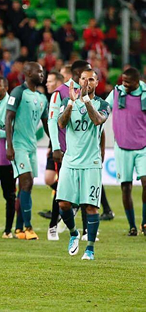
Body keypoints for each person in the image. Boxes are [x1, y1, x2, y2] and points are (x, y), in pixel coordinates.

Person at [57, 69, 110, 260]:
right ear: (78, 82)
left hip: (91, 162)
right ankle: (73, 233)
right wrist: (71, 102)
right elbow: (62, 124)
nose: (87, 82)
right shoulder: (67, 102)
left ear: (97, 82)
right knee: (63, 204)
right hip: (70, 161)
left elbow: (97, 120)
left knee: (91, 207)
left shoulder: (103, 104)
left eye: (91, 79)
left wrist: (86, 100)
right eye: (84, 79)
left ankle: (90, 249)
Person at [5, 62, 49, 240]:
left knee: (25, 187)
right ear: (28, 73)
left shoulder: (42, 98)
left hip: (32, 146)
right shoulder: (18, 92)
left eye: (42, 71)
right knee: (27, 182)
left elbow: (46, 123)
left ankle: (18, 228)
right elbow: (8, 118)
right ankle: (28, 227)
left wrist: (54, 142)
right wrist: (10, 145)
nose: (42, 74)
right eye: (39, 71)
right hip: (19, 145)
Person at [105, 68, 146, 236]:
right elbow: (103, 109)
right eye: (123, 81)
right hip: (122, 147)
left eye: (128, 82)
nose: (124, 84)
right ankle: (132, 226)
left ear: (137, 82)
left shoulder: (145, 94)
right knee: (126, 187)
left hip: (143, 146)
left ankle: (145, 223)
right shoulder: (116, 93)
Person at [0, 76, 16, 239]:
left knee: (10, 195)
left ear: (5, 87)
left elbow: (12, 128)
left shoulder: (12, 104)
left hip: (7, 158)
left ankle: (8, 230)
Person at [41, 70, 64, 240]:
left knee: (61, 186)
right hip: (55, 147)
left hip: (65, 149)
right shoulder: (51, 99)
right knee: (50, 179)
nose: (47, 84)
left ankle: (53, 226)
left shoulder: (62, 98)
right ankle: (69, 198)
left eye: (49, 81)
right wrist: (51, 144)